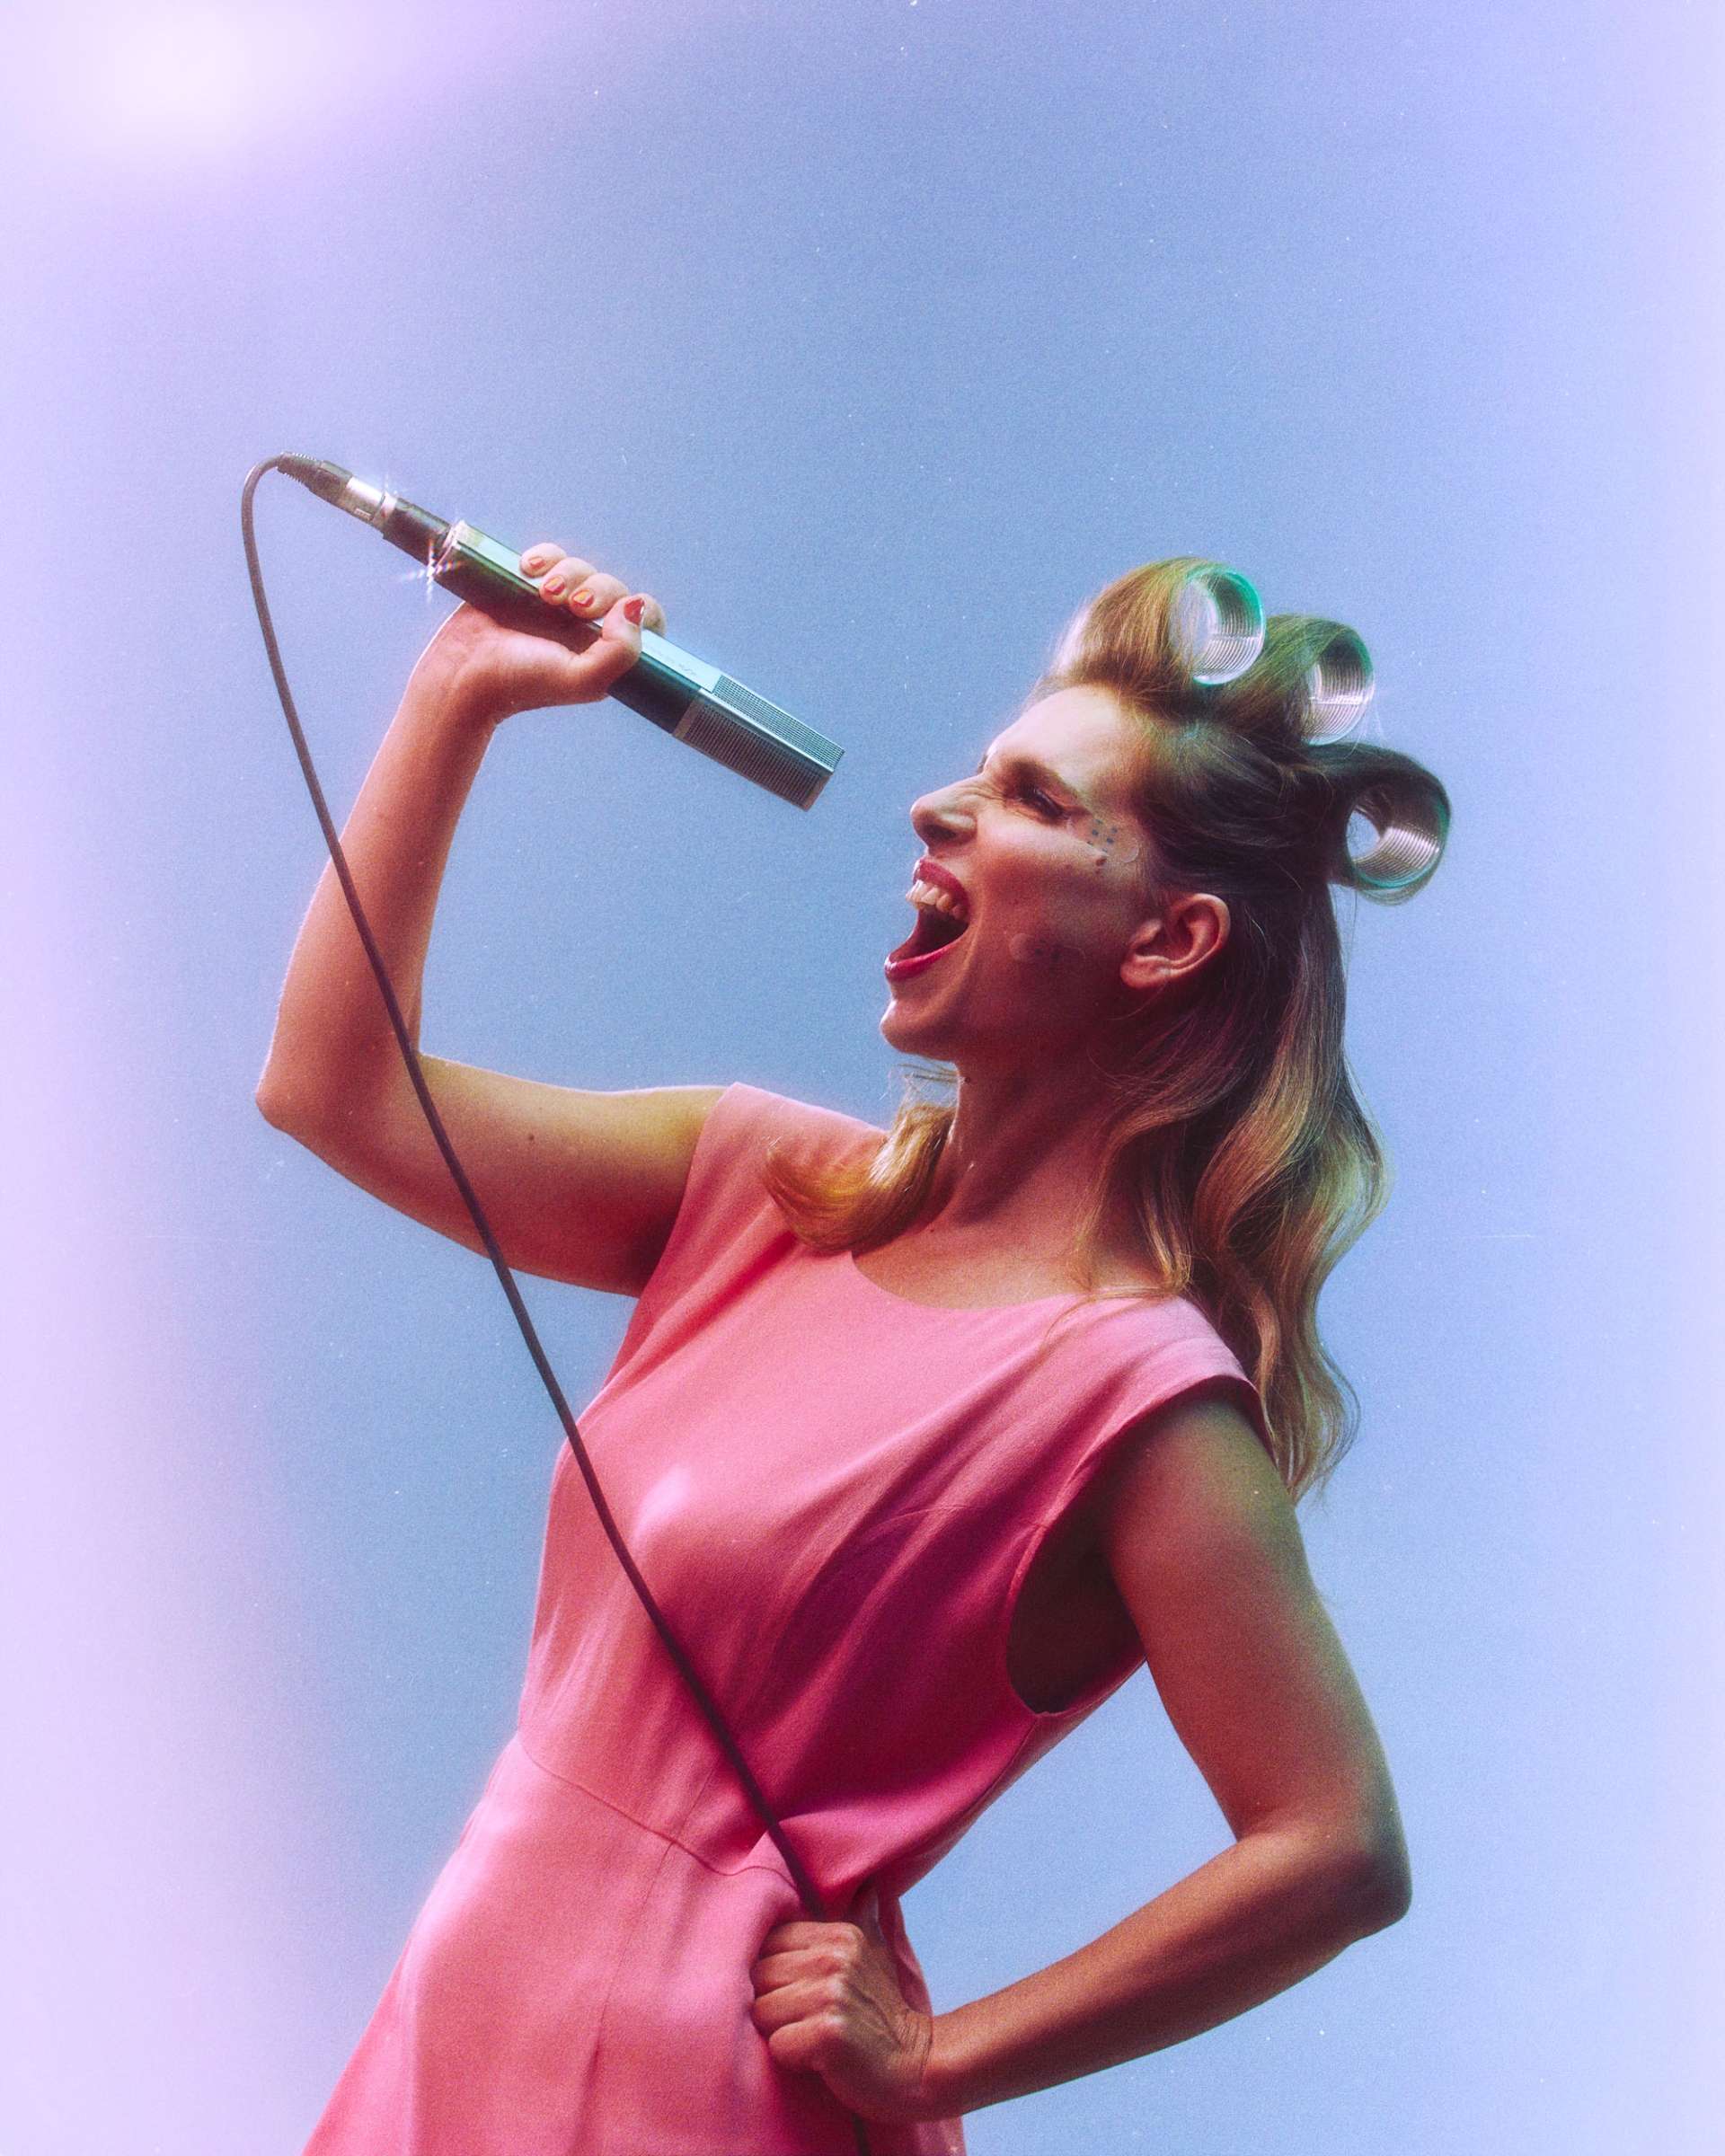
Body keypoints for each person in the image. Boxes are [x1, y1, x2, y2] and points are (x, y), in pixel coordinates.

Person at [257, 539, 1446, 2154]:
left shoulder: (1139, 1400)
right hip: (467, 2001)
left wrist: (946, 2060)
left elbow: (1336, 1846)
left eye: (1032, 800)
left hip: (696, 2087)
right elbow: (337, 1091)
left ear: (1165, 943)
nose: (936, 810)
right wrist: (457, 696)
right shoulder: (762, 1186)